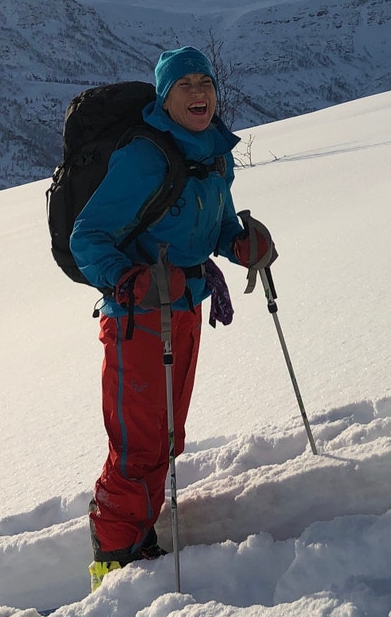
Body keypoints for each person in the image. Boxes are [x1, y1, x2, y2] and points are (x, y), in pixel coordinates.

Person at [69, 46, 276, 588]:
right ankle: (113, 557)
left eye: (204, 82)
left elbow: (217, 227)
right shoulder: (144, 157)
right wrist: (128, 280)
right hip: (137, 320)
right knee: (138, 444)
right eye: (183, 85)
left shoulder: (213, 153)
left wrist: (241, 242)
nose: (198, 93)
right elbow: (86, 237)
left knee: (165, 436)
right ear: (164, 96)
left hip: (184, 310)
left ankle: (139, 532)